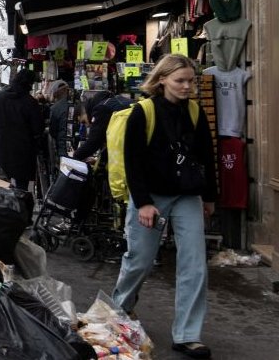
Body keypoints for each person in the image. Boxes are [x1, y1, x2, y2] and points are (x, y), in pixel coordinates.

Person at [111, 54, 217, 359]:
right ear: (161, 80)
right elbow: (133, 161)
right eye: (179, 80)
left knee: (195, 264)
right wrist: (143, 203)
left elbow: (206, 157)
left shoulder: (195, 112)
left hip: (187, 196)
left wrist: (209, 197)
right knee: (140, 260)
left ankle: (187, 335)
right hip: (151, 196)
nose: (187, 86)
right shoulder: (143, 112)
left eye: (190, 80)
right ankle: (121, 310)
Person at [0, 69, 44, 191]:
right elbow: (38, 129)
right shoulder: (30, 102)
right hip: (23, 152)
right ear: (29, 84)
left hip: (1, 149)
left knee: (0, 184)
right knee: (21, 187)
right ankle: (20, 207)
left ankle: (2, 208)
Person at [71, 90, 131, 162]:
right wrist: (98, 160)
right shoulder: (112, 101)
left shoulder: (101, 109)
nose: (87, 126)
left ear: (85, 111)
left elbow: (94, 142)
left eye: (84, 122)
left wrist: (74, 157)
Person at [47, 80, 70, 160]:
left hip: (63, 147)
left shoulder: (55, 108)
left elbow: (52, 131)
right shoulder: (78, 104)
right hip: (78, 146)